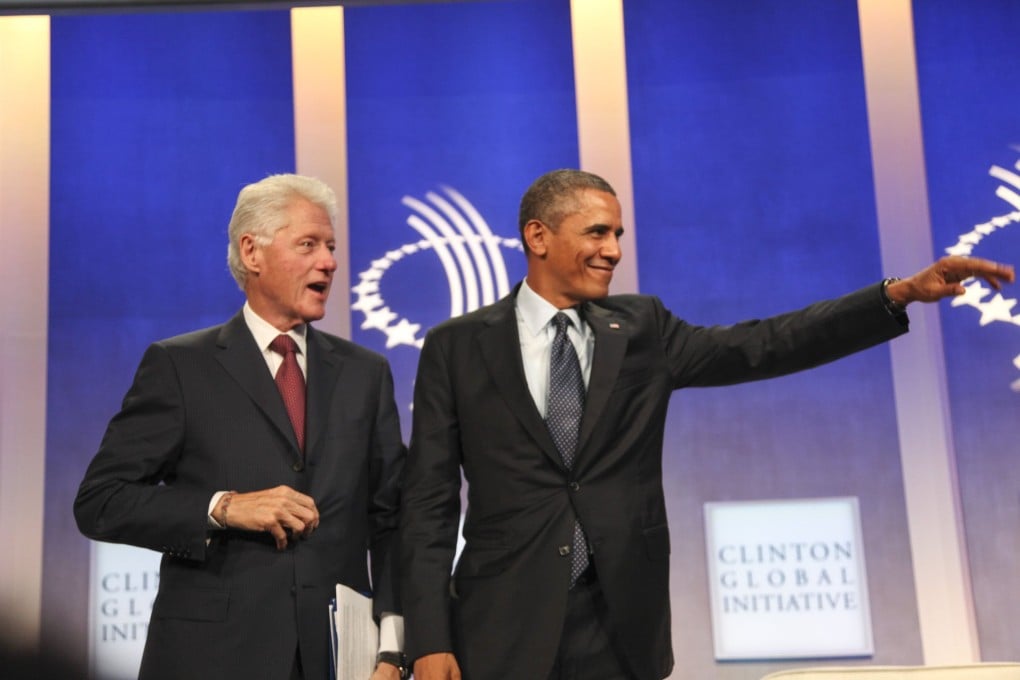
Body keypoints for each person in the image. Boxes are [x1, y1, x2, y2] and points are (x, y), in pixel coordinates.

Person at [399, 168, 1015, 680]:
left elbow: (765, 344)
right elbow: (427, 504)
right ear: (538, 236)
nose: (613, 249)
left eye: (617, 233)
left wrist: (896, 296)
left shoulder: (640, 329)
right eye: (596, 232)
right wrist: (428, 638)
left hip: (619, 626)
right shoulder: (457, 347)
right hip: (499, 627)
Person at [75, 174, 408, 680]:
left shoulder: (366, 374)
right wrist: (223, 507)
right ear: (252, 253)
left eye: (332, 247)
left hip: (335, 659)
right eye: (309, 245)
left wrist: (391, 647)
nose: (330, 262)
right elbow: (101, 501)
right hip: (211, 656)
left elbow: (391, 520)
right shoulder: (181, 366)